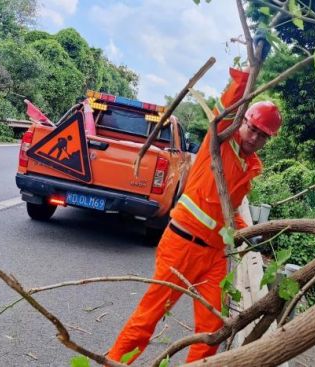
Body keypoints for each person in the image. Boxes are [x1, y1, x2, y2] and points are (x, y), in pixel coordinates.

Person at [107, 35, 280, 365]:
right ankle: (115, 362)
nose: (254, 136)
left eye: (262, 135)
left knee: (213, 328)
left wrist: (248, 231)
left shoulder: (251, 166)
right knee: (149, 318)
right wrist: (251, 68)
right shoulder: (221, 139)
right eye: (252, 128)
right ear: (243, 122)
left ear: (267, 140)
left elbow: (228, 207)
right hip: (181, 246)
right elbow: (229, 105)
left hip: (213, 255)